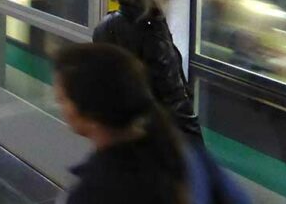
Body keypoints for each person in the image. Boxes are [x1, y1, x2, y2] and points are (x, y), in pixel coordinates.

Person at [53, 43, 249, 204]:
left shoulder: (95, 191)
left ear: (91, 112)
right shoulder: (184, 151)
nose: (59, 103)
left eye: (63, 99)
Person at [93, 0, 203, 144]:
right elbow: (174, 98)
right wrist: (197, 146)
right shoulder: (152, 33)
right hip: (153, 138)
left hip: (120, 131)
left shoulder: (105, 25)